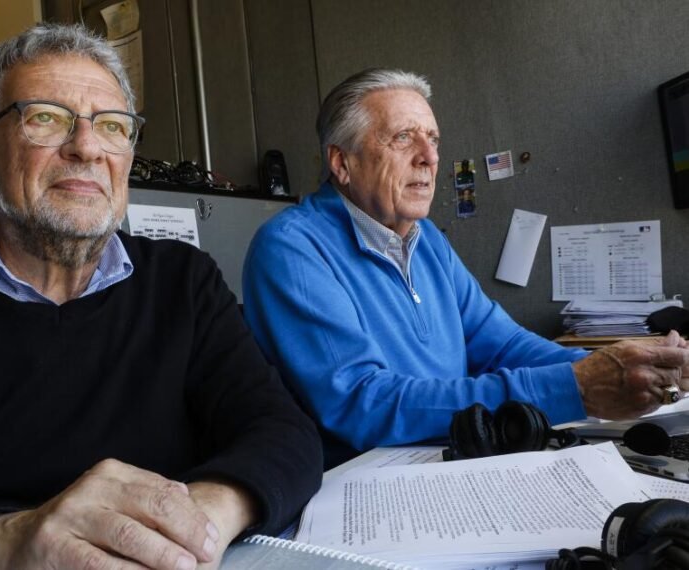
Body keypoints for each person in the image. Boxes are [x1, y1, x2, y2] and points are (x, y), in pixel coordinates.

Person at [0, 24, 322, 570]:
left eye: (112, 126)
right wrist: (3, 542)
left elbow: (283, 432)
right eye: (45, 118)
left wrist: (203, 516)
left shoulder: (184, 282)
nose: (86, 147)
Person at [242, 67, 689, 468]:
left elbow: (500, 344)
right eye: (403, 138)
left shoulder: (427, 238)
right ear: (342, 162)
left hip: (449, 458)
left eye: (432, 139)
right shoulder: (291, 248)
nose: (429, 157)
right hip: (363, 485)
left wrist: (621, 367)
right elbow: (365, 404)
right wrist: (576, 387)